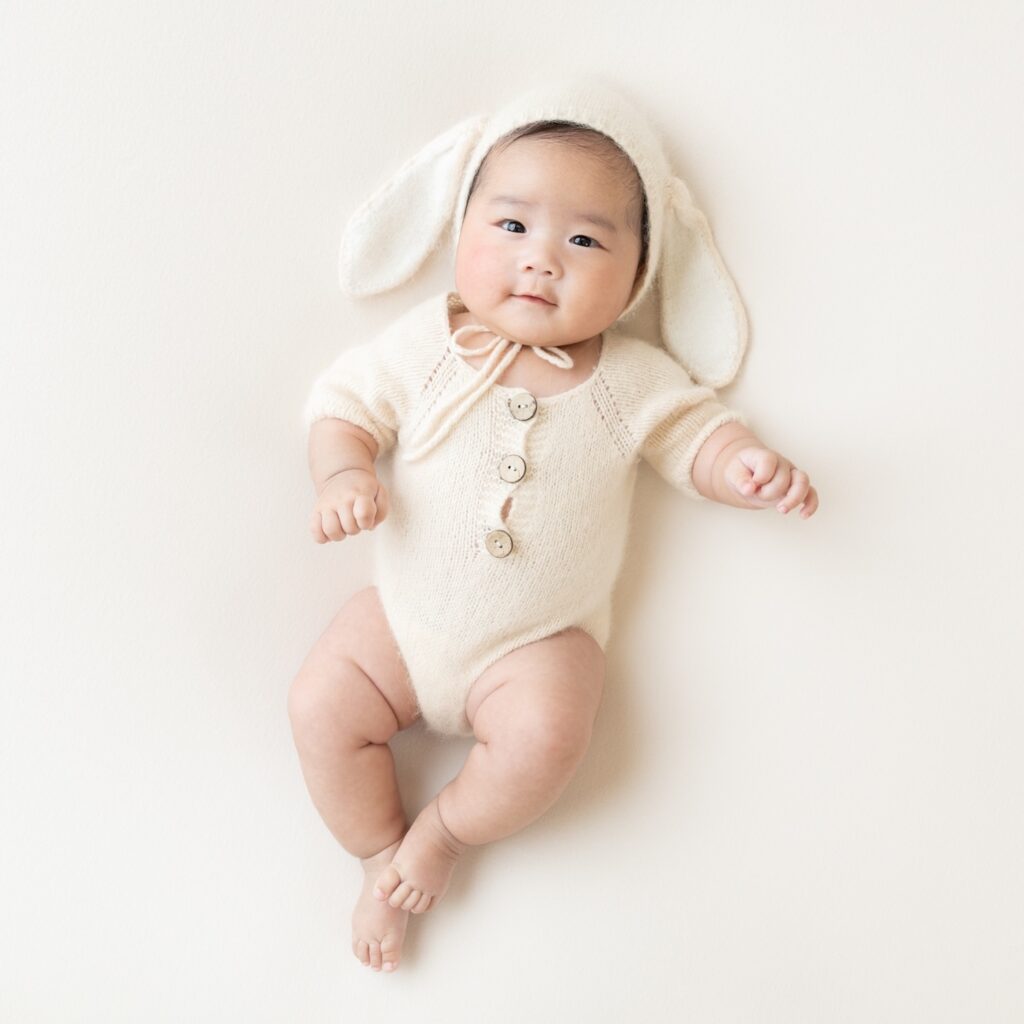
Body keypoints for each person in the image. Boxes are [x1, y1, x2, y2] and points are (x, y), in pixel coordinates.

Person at [288, 78, 819, 974]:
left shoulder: (631, 377)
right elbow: (344, 403)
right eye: (511, 225)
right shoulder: (429, 345)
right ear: (457, 226)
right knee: (319, 705)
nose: (541, 261)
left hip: (535, 644)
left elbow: (694, 435)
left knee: (547, 738)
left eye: (584, 240)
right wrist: (343, 471)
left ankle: (442, 835)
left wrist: (743, 467)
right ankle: (379, 853)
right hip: (401, 622)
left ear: (640, 273)